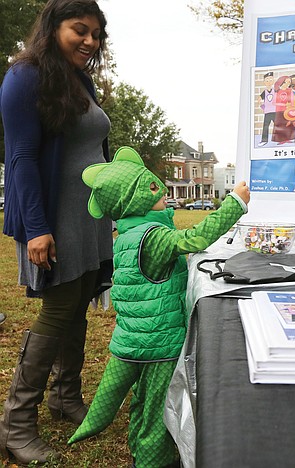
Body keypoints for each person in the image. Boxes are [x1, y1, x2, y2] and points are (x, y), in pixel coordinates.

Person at [68, 147, 250, 468]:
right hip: (159, 345)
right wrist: (234, 203)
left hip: (134, 341)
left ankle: (140, 449)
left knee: (142, 400)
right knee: (158, 406)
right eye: (152, 189)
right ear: (132, 200)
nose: (163, 191)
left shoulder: (127, 235)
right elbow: (194, 238)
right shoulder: (153, 237)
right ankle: (155, 461)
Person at [0, 1, 112, 464]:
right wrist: (38, 230)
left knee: (79, 304)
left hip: (89, 217)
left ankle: (65, 398)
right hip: (55, 217)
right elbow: (22, 157)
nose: (90, 41)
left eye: (97, 34)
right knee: (58, 310)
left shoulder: (78, 79)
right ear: (53, 27)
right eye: (79, 30)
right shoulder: (24, 77)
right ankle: (14, 424)